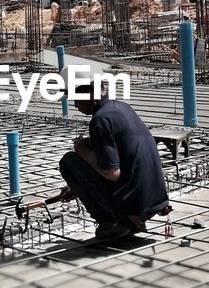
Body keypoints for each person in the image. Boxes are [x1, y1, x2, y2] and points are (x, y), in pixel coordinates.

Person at [59, 80, 170, 240]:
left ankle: (114, 222)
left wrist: (82, 152)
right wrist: (77, 185)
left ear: (91, 97)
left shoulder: (99, 120)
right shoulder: (121, 107)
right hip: (153, 200)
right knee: (87, 160)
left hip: (135, 204)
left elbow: (112, 173)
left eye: (77, 100)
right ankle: (131, 217)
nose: (76, 106)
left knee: (69, 161)